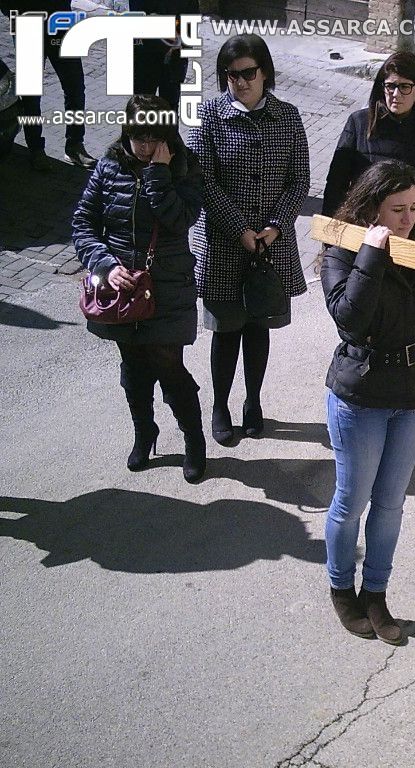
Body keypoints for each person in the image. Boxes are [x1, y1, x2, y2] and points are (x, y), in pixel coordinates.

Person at [320, 160, 415, 645]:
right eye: (396, 210)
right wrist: (371, 256)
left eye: (414, 209)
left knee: (391, 504)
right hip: (361, 396)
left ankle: (375, 592)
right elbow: (351, 319)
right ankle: (341, 588)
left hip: (410, 396)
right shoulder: (342, 247)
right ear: (371, 209)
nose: (407, 220)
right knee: (351, 501)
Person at [72, 95, 206, 483]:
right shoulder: (110, 165)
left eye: (154, 136)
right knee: (133, 363)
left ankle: (193, 439)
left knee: (168, 364)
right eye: (138, 136)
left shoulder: (183, 166)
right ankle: (144, 429)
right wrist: (106, 266)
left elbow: (182, 219)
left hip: (167, 286)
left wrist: (158, 176)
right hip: (121, 291)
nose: (145, 146)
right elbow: (83, 223)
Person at [186, 34, 310, 446]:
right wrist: (239, 229)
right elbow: (203, 183)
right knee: (226, 331)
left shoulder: (289, 118)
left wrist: (275, 225)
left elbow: (299, 181)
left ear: (265, 73)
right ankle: (220, 405)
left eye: (247, 74)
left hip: (271, 247)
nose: (238, 82)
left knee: (259, 328)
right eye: (230, 75)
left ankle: (253, 402)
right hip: (225, 245)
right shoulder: (207, 117)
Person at [321, 52, 415, 230]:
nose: (396, 94)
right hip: (362, 227)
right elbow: (336, 184)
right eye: (390, 86)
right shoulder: (359, 123)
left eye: (405, 87)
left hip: (408, 231)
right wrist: (330, 232)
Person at [3, 0, 96, 171]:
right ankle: (36, 149)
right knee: (31, 94)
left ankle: (75, 145)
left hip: (61, 26)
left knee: (75, 87)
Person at [130, 0, 200, 114]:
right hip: (146, 55)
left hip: (175, 57)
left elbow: (192, 17)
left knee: (170, 108)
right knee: (142, 106)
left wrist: (181, 39)